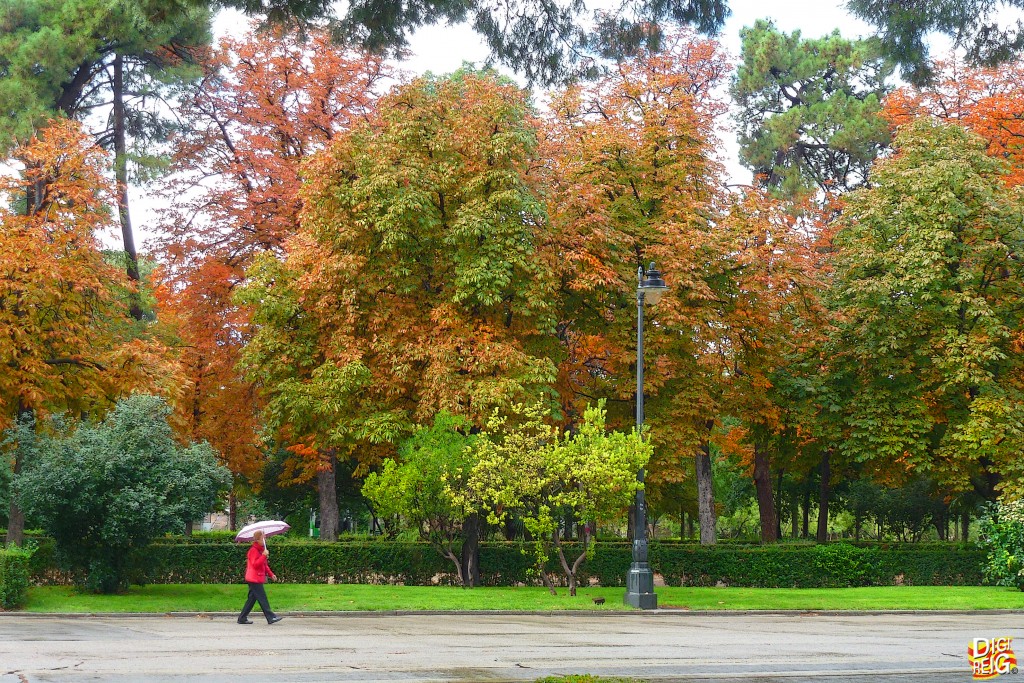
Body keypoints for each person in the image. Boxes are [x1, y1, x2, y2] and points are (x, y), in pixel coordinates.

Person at [237, 529, 283, 624]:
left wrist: (271, 574)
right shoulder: (253, 551)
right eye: (263, 538)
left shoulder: (260, 550)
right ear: (257, 540)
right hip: (254, 578)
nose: (265, 540)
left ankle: (242, 618)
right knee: (262, 598)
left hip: (255, 578)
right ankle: (271, 617)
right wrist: (263, 556)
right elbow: (255, 564)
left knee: (252, 599)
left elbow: (264, 565)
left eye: (265, 538)